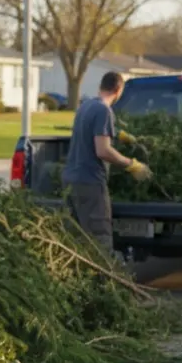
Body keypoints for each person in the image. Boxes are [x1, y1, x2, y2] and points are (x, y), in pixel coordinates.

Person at [62, 71, 151, 255]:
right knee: (99, 241)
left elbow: (91, 130)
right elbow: (102, 150)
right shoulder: (104, 110)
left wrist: (119, 135)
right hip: (90, 183)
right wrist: (131, 165)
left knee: (78, 239)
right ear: (118, 90)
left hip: (71, 181)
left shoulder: (86, 106)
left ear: (101, 86)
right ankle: (102, 282)